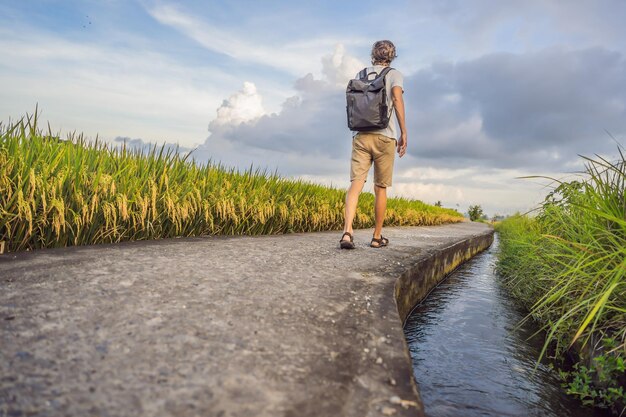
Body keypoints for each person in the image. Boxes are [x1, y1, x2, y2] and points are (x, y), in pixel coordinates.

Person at [340, 40, 407, 249]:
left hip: (360, 135)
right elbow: (396, 99)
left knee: (355, 185)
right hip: (385, 136)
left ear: (373, 54)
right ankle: (377, 237)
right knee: (380, 188)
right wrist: (404, 132)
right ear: (392, 55)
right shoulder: (394, 74)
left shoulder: (361, 74)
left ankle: (347, 233)